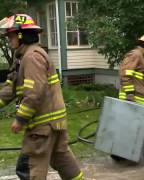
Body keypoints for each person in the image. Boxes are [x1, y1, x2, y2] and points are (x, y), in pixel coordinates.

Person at [0, 14, 84, 180]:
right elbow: (12, 88)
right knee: (61, 158)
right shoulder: (24, 57)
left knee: (30, 165)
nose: (8, 39)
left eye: (10, 35)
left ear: (21, 35)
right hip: (54, 122)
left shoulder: (31, 57)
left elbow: (34, 93)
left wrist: (20, 119)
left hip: (42, 125)